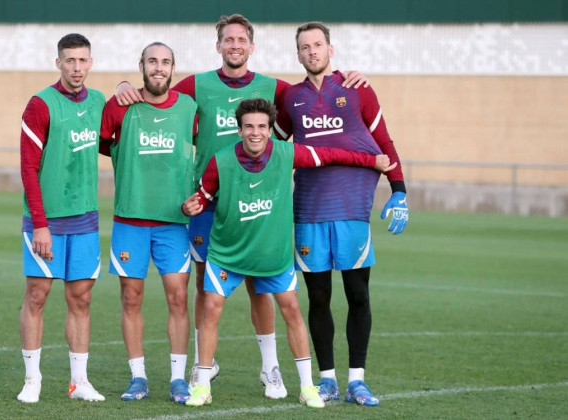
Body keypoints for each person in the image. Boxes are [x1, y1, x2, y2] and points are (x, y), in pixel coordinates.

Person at [115, 14, 369, 399]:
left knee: (259, 288)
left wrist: (346, 79)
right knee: (205, 287)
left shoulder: (275, 88)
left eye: (241, 39)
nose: (235, 45)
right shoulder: (196, 85)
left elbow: (312, 94)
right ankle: (205, 366)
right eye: (228, 39)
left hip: (257, 204)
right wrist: (123, 87)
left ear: (252, 46)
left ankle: (270, 369)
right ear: (218, 46)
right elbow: (157, 90)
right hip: (208, 204)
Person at [181, 98, 397, 408]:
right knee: (211, 308)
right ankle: (202, 385)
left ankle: (308, 387)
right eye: (249, 127)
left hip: (272, 253)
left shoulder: (287, 153)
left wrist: (371, 160)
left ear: (270, 130)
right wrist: (192, 205)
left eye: (262, 127)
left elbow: (331, 154)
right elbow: (202, 195)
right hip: (227, 252)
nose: (255, 132)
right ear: (239, 129)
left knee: (292, 310)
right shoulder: (221, 160)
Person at [276, 21, 410, 406]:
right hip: (309, 212)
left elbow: (384, 140)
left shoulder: (356, 89)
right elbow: (272, 145)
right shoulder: (291, 98)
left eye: (318, 45)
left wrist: (399, 190)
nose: (312, 52)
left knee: (358, 295)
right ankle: (328, 380)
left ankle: (357, 381)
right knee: (318, 298)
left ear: (330, 50)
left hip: (352, 211)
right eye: (305, 47)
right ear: (298, 54)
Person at [99, 42, 197, 404]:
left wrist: (199, 194)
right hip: (129, 220)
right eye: (152, 61)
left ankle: (177, 379)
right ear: (141, 65)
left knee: (178, 297)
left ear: (173, 68)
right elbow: (102, 144)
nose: (159, 67)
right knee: (131, 298)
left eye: (166, 62)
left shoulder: (189, 108)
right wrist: (120, 86)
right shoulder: (119, 107)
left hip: (173, 222)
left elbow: (206, 154)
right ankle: (137, 377)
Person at [17, 33, 105, 403]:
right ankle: (32, 379)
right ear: (58, 63)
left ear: (90, 62)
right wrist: (40, 223)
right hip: (47, 221)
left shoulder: (100, 102)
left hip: (85, 219)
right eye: (69, 60)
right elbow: (28, 167)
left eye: (83, 60)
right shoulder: (40, 104)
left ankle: (78, 382)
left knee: (80, 299)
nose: (77, 67)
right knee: (38, 295)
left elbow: (116, 140)